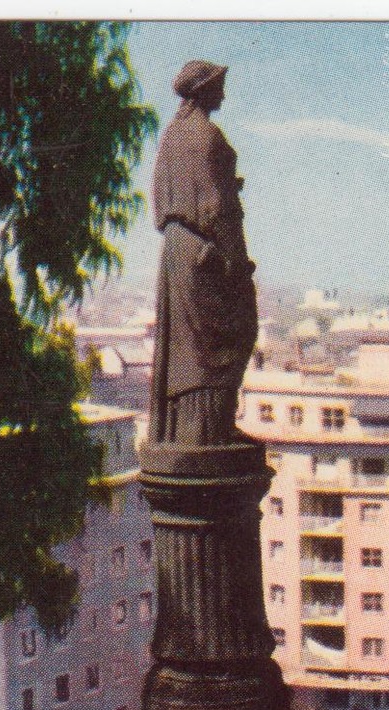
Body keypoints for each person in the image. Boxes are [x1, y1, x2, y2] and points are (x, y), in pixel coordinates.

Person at [150, 60, 259, 446]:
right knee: (232, 331)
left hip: (178, 250)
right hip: (206, 251)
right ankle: (212, 430)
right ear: (205, 90)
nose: (224, 94)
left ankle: (194, 429)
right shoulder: (207, 136)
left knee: (191, 343)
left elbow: (167, 197)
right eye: (219, 86)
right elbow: (216, 207)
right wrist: (236, 260)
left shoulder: (172, 135)